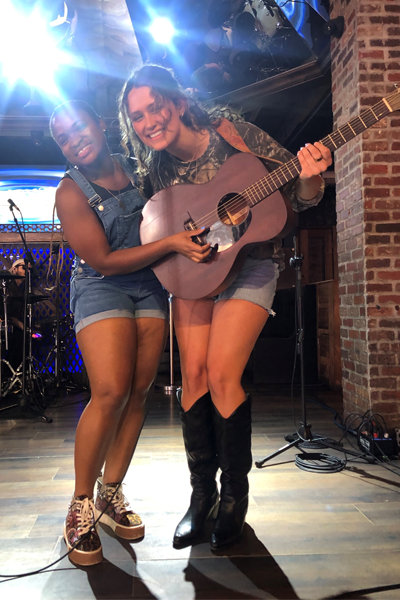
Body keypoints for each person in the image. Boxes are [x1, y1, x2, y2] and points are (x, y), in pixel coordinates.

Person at [118, 64, 332, 550]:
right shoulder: (155, 168)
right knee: (191, 373)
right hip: (198, 271)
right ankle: (202, 497)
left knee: (220, 374)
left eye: (156, 107)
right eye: (138, 116)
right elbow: (161, 227)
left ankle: (235, 496)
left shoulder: (231, 131)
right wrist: (183, 243)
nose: (150, 121)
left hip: (253, 262)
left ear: (176, 102)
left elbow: (298, 196)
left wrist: (312, 177)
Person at [50, 99, 210, 566]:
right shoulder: (70, 191)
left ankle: (110, 492)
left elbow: (169, 211)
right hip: (102, 286)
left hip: (150, 286)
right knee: (110, 392)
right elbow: (102, 259)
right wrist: (171, 244)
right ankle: (80, 504)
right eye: (63, 137)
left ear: (98, 124)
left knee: (140, 392)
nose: (74, 138)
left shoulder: (137, 167)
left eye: (78, 126)